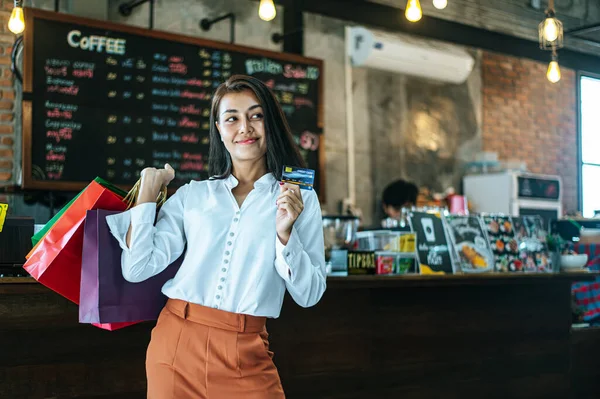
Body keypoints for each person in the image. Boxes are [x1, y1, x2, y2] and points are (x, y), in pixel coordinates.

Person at [105, 75, 327, 398]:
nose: (245, 128)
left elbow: (310, 294)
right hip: (176, 344)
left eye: (256, 115)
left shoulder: (299, 199)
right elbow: (136, 268)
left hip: (247, 353)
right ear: (219, 131)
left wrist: (284, 235)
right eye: (232, 118)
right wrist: (147, 197)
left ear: (271, 123)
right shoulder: (193, 196)